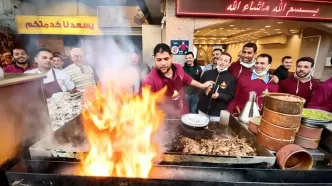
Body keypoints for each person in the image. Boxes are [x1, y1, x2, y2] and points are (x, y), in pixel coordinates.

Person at [142, 43, 214, 118]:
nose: (163, 63)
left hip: (183, 112)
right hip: (164, 118)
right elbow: (145, 102)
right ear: (155, 59)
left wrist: (203, 85)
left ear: (171, 57)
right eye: (159, 60)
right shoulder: (150, 80)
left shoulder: (178, 67)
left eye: (166, 59)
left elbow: (188, 79)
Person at [198, 53, 236, 120]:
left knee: (214, 130)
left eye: (225, 61)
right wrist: (205, 91)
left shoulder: (231, 78)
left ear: (229, 64)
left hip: (217, 113)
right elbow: (198, 88)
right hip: (202, 110)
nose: (222, 62)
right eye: (221, 59)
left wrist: (220, 95)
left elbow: (230, 96)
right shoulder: (207, 73)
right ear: (217, 61)